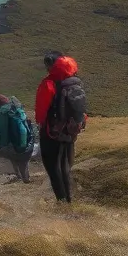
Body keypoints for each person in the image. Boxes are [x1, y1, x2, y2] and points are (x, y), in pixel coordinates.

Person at [35, 51, 87, 204]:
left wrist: (42, 125)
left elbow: (40, 112)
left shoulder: (49, 83)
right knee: (65, 165)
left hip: (52, 131)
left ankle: (63, 202)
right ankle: (69, 199)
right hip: (70, 131)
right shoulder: (75, 82)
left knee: (53, 167)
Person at [0, 92, 34, 184]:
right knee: (21, 157)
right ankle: (25, 178)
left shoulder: (2, 113)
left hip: (15, 149)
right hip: (29, 147)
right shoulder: (17, 108)